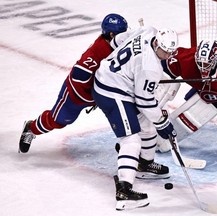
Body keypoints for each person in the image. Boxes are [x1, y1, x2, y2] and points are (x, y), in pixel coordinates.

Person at [92, 27, 178, 210]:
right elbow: (144, 100)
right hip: (112, 91)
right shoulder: (151, 66)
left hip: (115, 81)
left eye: (170, 52)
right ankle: (124, 191)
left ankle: (144, 164)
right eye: (164, 51)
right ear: (156, 43)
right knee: (131, 139)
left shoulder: (149, 31)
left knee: (147, 125)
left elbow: (119, 40)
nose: (167, 56)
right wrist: (163, 123)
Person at [18, 13, 128, 153]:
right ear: (112, 35)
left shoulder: (115, 44)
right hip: (76, 95)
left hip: (100, 95)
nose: (125, 36)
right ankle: (31, 128)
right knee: (58, 121)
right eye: (122, 33)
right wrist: (96, 89)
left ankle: (131, 148)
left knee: (123, 114)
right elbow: (78, 74)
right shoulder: (97, 52)